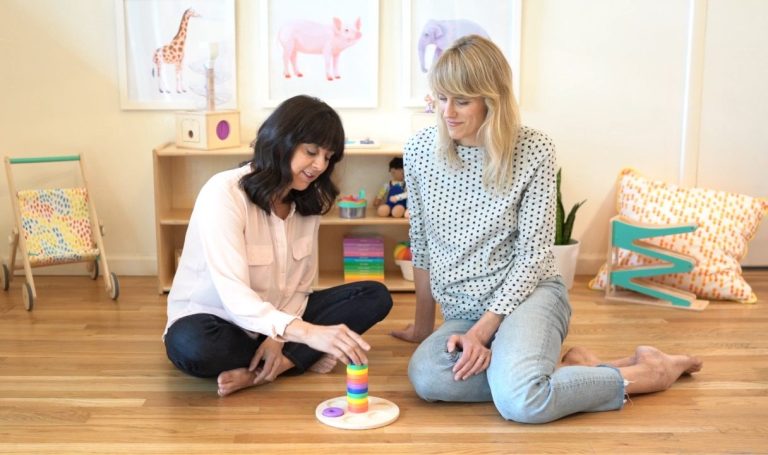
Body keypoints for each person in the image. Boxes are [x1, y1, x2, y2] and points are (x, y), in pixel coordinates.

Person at [391, 35, 702, 423]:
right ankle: (550, 367)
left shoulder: (533, 149)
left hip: (529, 296)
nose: (447, 112)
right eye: (440, 98)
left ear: (492, 99)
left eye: (462, 100)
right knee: (426, 376)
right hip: (464, 312)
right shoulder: (420, 152)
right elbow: (421, 243)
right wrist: (424, 328)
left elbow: (535, 256)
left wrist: (485, 332)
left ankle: (648, 373)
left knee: (521, 402)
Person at [164, 95, 393, 397]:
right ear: (281, 141)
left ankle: (273, 366)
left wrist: (278, 338)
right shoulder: (224, 193)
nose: (320, 165)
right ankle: (296, 358)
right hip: (219, 320)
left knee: (374, 295)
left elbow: (299, 287)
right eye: (311, 152)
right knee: (191, 344)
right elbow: (234, 297)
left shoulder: (310, 201)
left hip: (279, 320)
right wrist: (308, 334)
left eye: (328, 157)